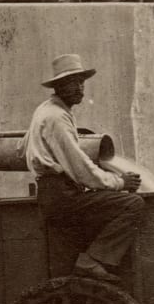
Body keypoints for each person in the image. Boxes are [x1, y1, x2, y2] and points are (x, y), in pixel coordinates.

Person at [23, 53, 143, 284]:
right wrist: (120, 182)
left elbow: (24, 149)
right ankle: (92, 261)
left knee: (107, 201)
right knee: (132, 204)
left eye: (82, 82)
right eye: (72, 83)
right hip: (61, 196)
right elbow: (80, 170)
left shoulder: (46, 111)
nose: (80, 88)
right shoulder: (56, 118)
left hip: (57, 194)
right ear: (59, 86)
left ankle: (93, 261)